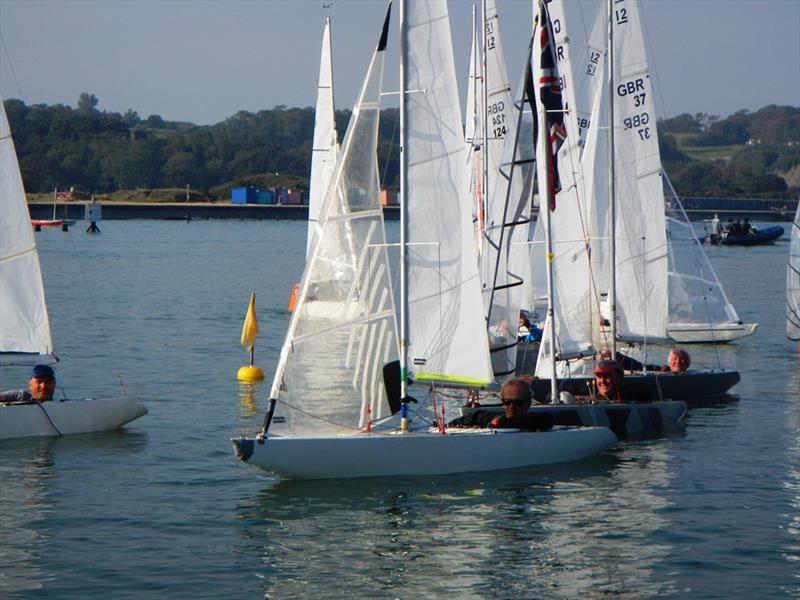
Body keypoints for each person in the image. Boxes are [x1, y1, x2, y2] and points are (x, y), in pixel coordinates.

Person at [448, 379, 554, 430]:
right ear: (502, 402)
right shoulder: (486, 417)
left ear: (528, 403)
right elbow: (460, 422)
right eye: (507, 402)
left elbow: (548, 420)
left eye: (518, 403)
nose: (511, 407)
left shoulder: (539, 421)